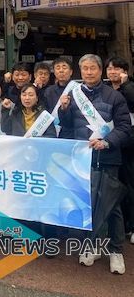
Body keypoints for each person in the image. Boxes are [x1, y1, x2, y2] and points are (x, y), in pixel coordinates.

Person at [58, 54, 131, 274]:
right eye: (85, 68)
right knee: (87, 204)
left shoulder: (114, 96)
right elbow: (68, 126)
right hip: (83, 160)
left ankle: (116, 250)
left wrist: (107, 142)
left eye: (93, 68)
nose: (89, 72)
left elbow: (125, 128)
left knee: (112, 205)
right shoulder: (74, 94)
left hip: (108, 158)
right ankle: (92, 245)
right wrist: (63, 110)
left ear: (100, 71)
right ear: (80, 71)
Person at [105, 56, 134, 243]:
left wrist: (126, 85)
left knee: (129, 184)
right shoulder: (105, 89)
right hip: (111, 143)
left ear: (125, 71)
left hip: (129, 144)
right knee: (114, 186)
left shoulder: (130, 87)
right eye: (109, 68)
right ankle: (119, 227)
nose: (112, 72)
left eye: (117, 68)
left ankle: (132, 226)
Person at [44, 56, 74, 138]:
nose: (61, 70)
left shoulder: (77, 89)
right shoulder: (48, 91)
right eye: (58, 68)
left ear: (71, 72)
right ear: (54, 72)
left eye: (64, 67)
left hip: (72, 133)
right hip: (52, 133)